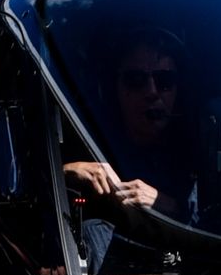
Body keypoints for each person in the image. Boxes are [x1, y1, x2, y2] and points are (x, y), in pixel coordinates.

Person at [63, 28, 197, 223]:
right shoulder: (87, 138)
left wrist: (167, 205)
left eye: (164, 81)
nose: (152, 92)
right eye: (136, 80)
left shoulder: (198, 155)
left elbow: (213, 223)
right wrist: (68, 171)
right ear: (113, 89)